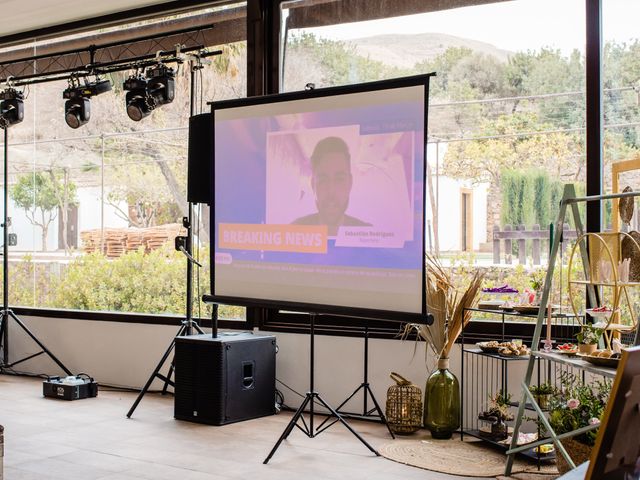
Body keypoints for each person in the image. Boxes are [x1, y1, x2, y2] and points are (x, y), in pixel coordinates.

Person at [292, 136, 370, 236]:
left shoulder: (367, 233)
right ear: (312, 185)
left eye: (339, 179)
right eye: (323, 180)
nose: (331, 191)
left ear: (350, 184)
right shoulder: (294, 231)